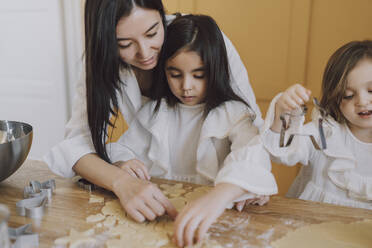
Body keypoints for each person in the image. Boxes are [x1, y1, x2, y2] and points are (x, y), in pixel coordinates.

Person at [44, 0, 263, 230]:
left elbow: (252, 134)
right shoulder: (101, 62)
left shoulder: (202, 41)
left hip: (217, 200)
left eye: (152, 33)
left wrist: (242, 184)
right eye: (125, 44)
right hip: (158, 192)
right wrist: (121, 181)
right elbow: (78, 144)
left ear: (161, 15)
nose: (145, 53)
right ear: (107, 41)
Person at [110, 14, 277, 247]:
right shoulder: (155, 112)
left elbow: (253, 153)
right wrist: (122, 162)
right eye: (175, 74)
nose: (186, 86)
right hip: (163, 216)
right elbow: (120, 147)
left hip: (215, 221)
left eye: (199, 75)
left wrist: (235, 189)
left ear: (216, 69)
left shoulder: (234, 114)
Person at [261, 40, 372, 210]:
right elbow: (280, 151)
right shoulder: (324, 133)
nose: (362, 102)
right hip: (309, 228)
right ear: (335, 98)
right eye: (348, 95)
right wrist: (283, 112)